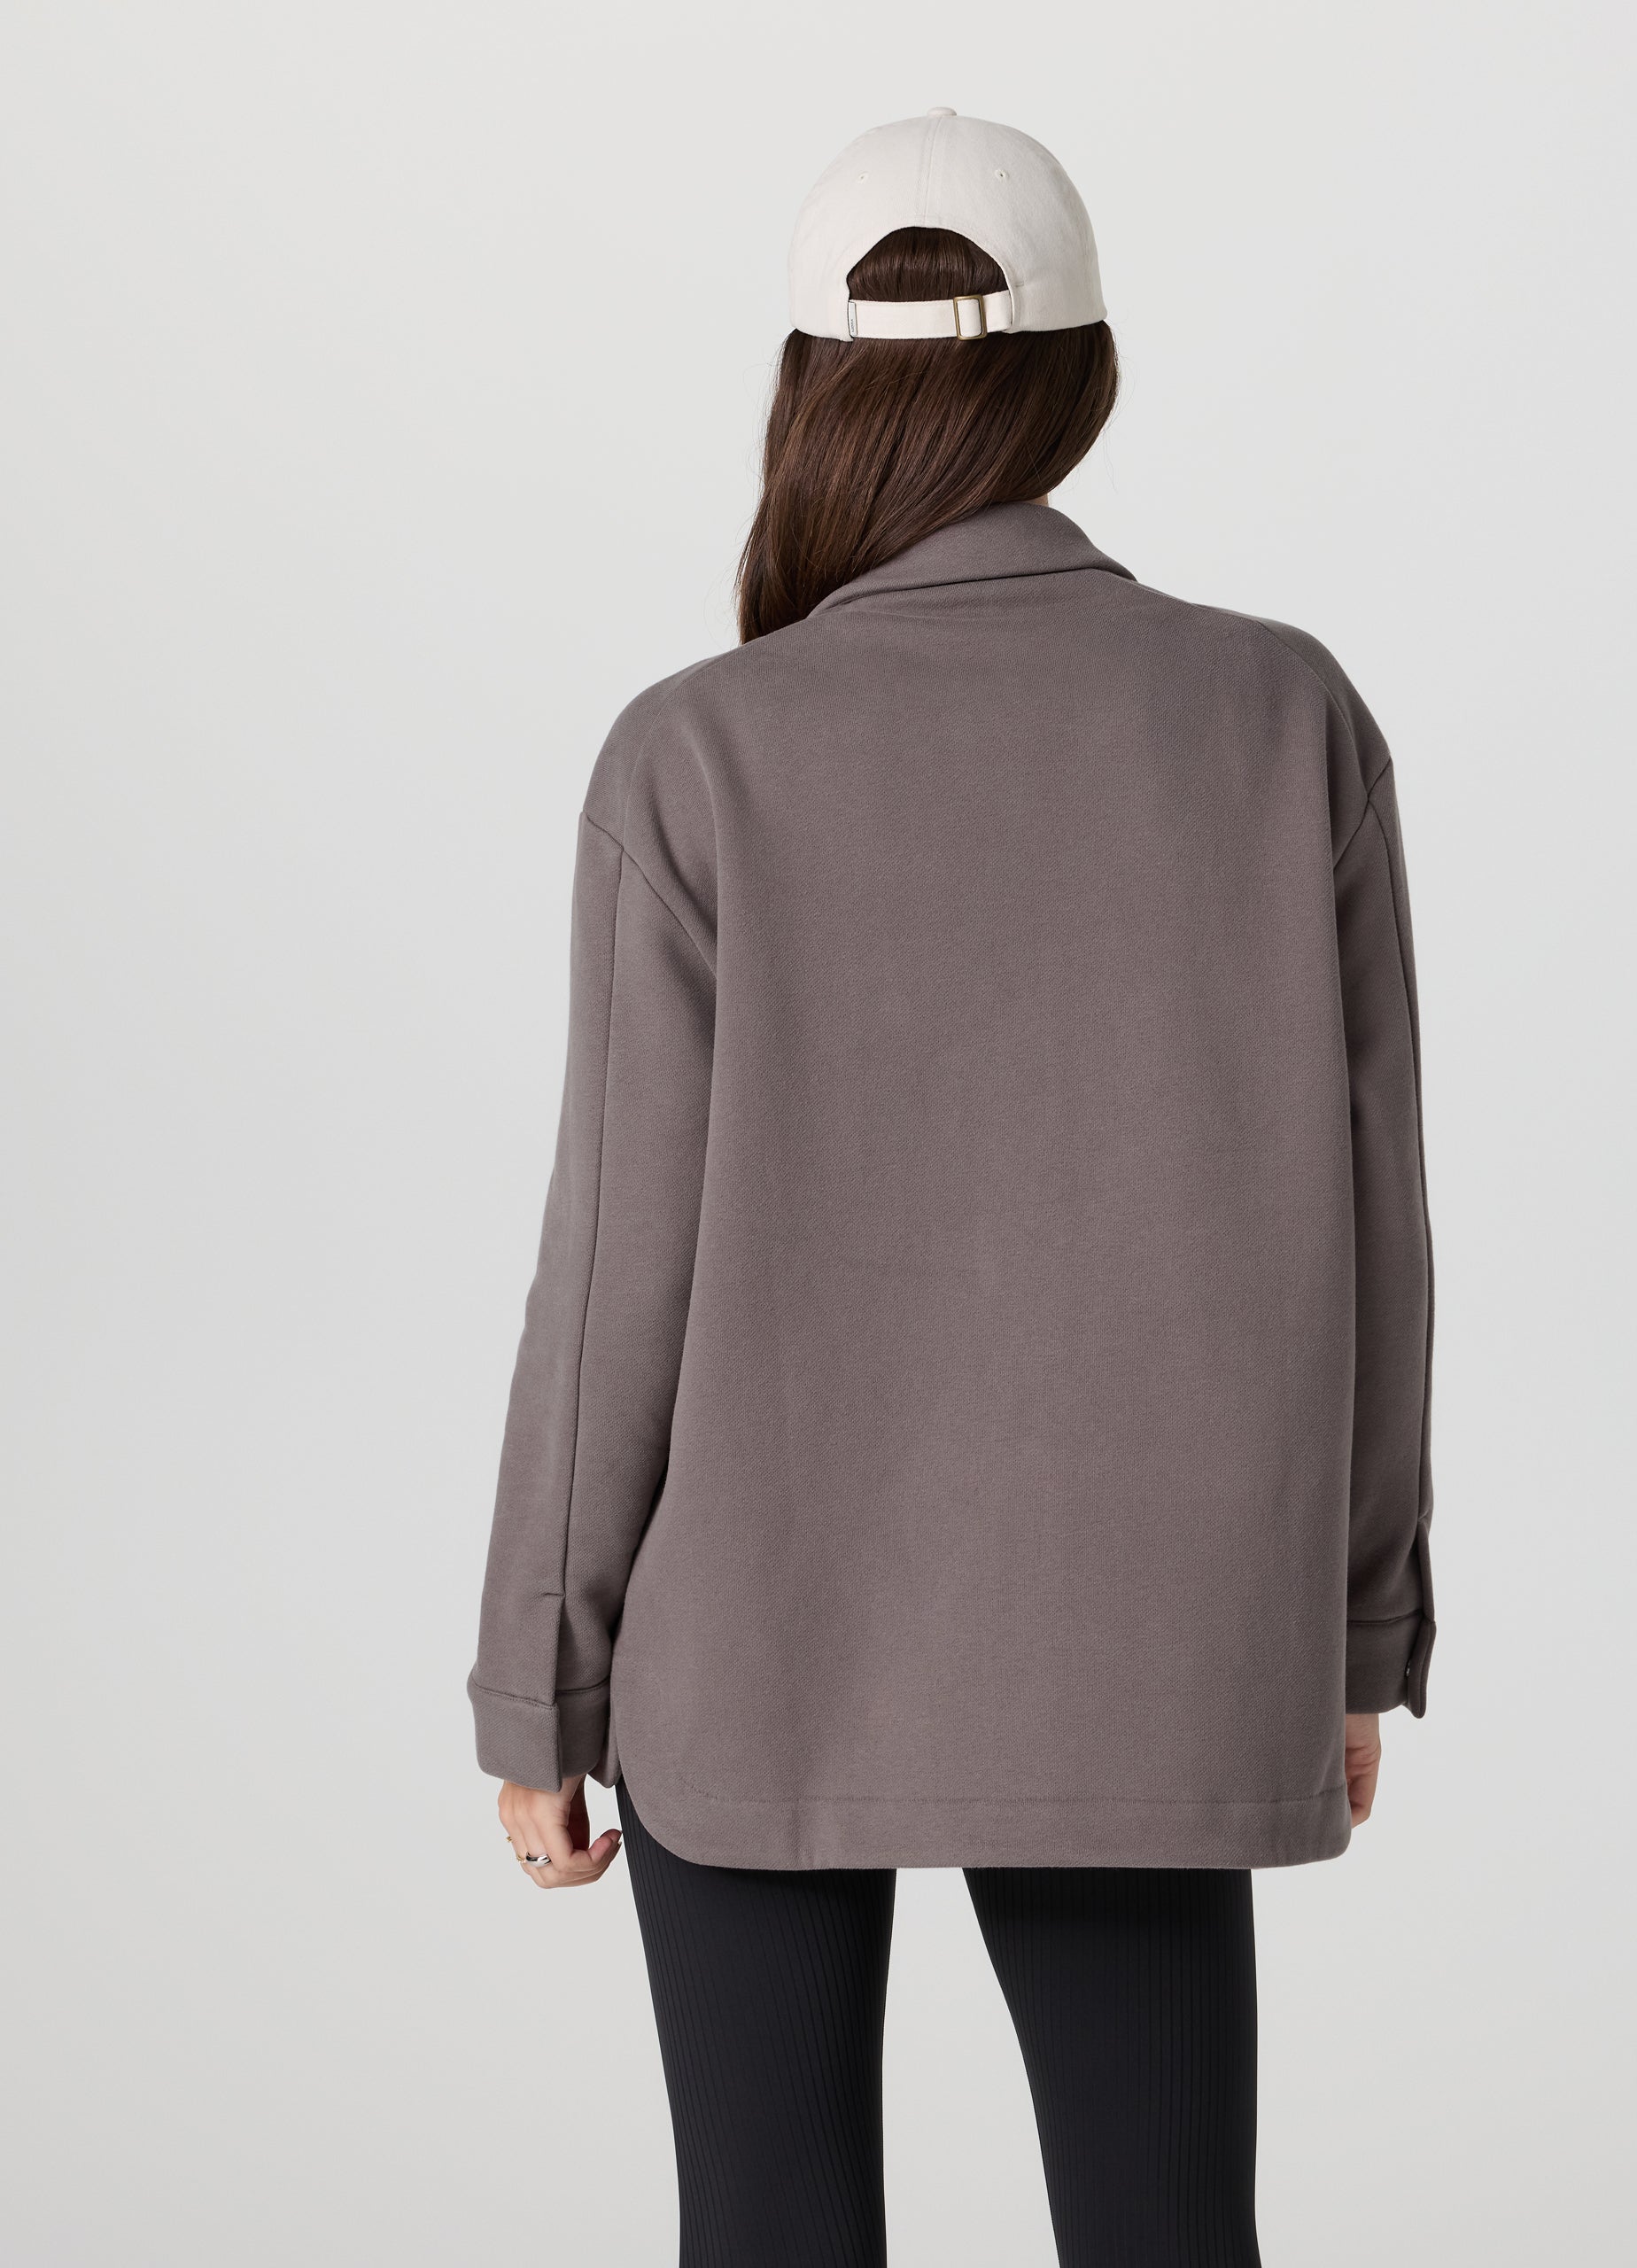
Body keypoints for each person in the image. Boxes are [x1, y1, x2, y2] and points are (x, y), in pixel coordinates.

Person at [469, 108, 1434, 2268]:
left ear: (808, 386)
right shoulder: (1283, 720)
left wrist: (542, 1676)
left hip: (754, 1649)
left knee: (770, 2227)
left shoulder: (695, 753)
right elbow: (1379, 1238)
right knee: (1166, 2229)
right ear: (1081, 378)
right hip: (1149, 1648)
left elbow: (610, 1264)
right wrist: (1355, 1629)